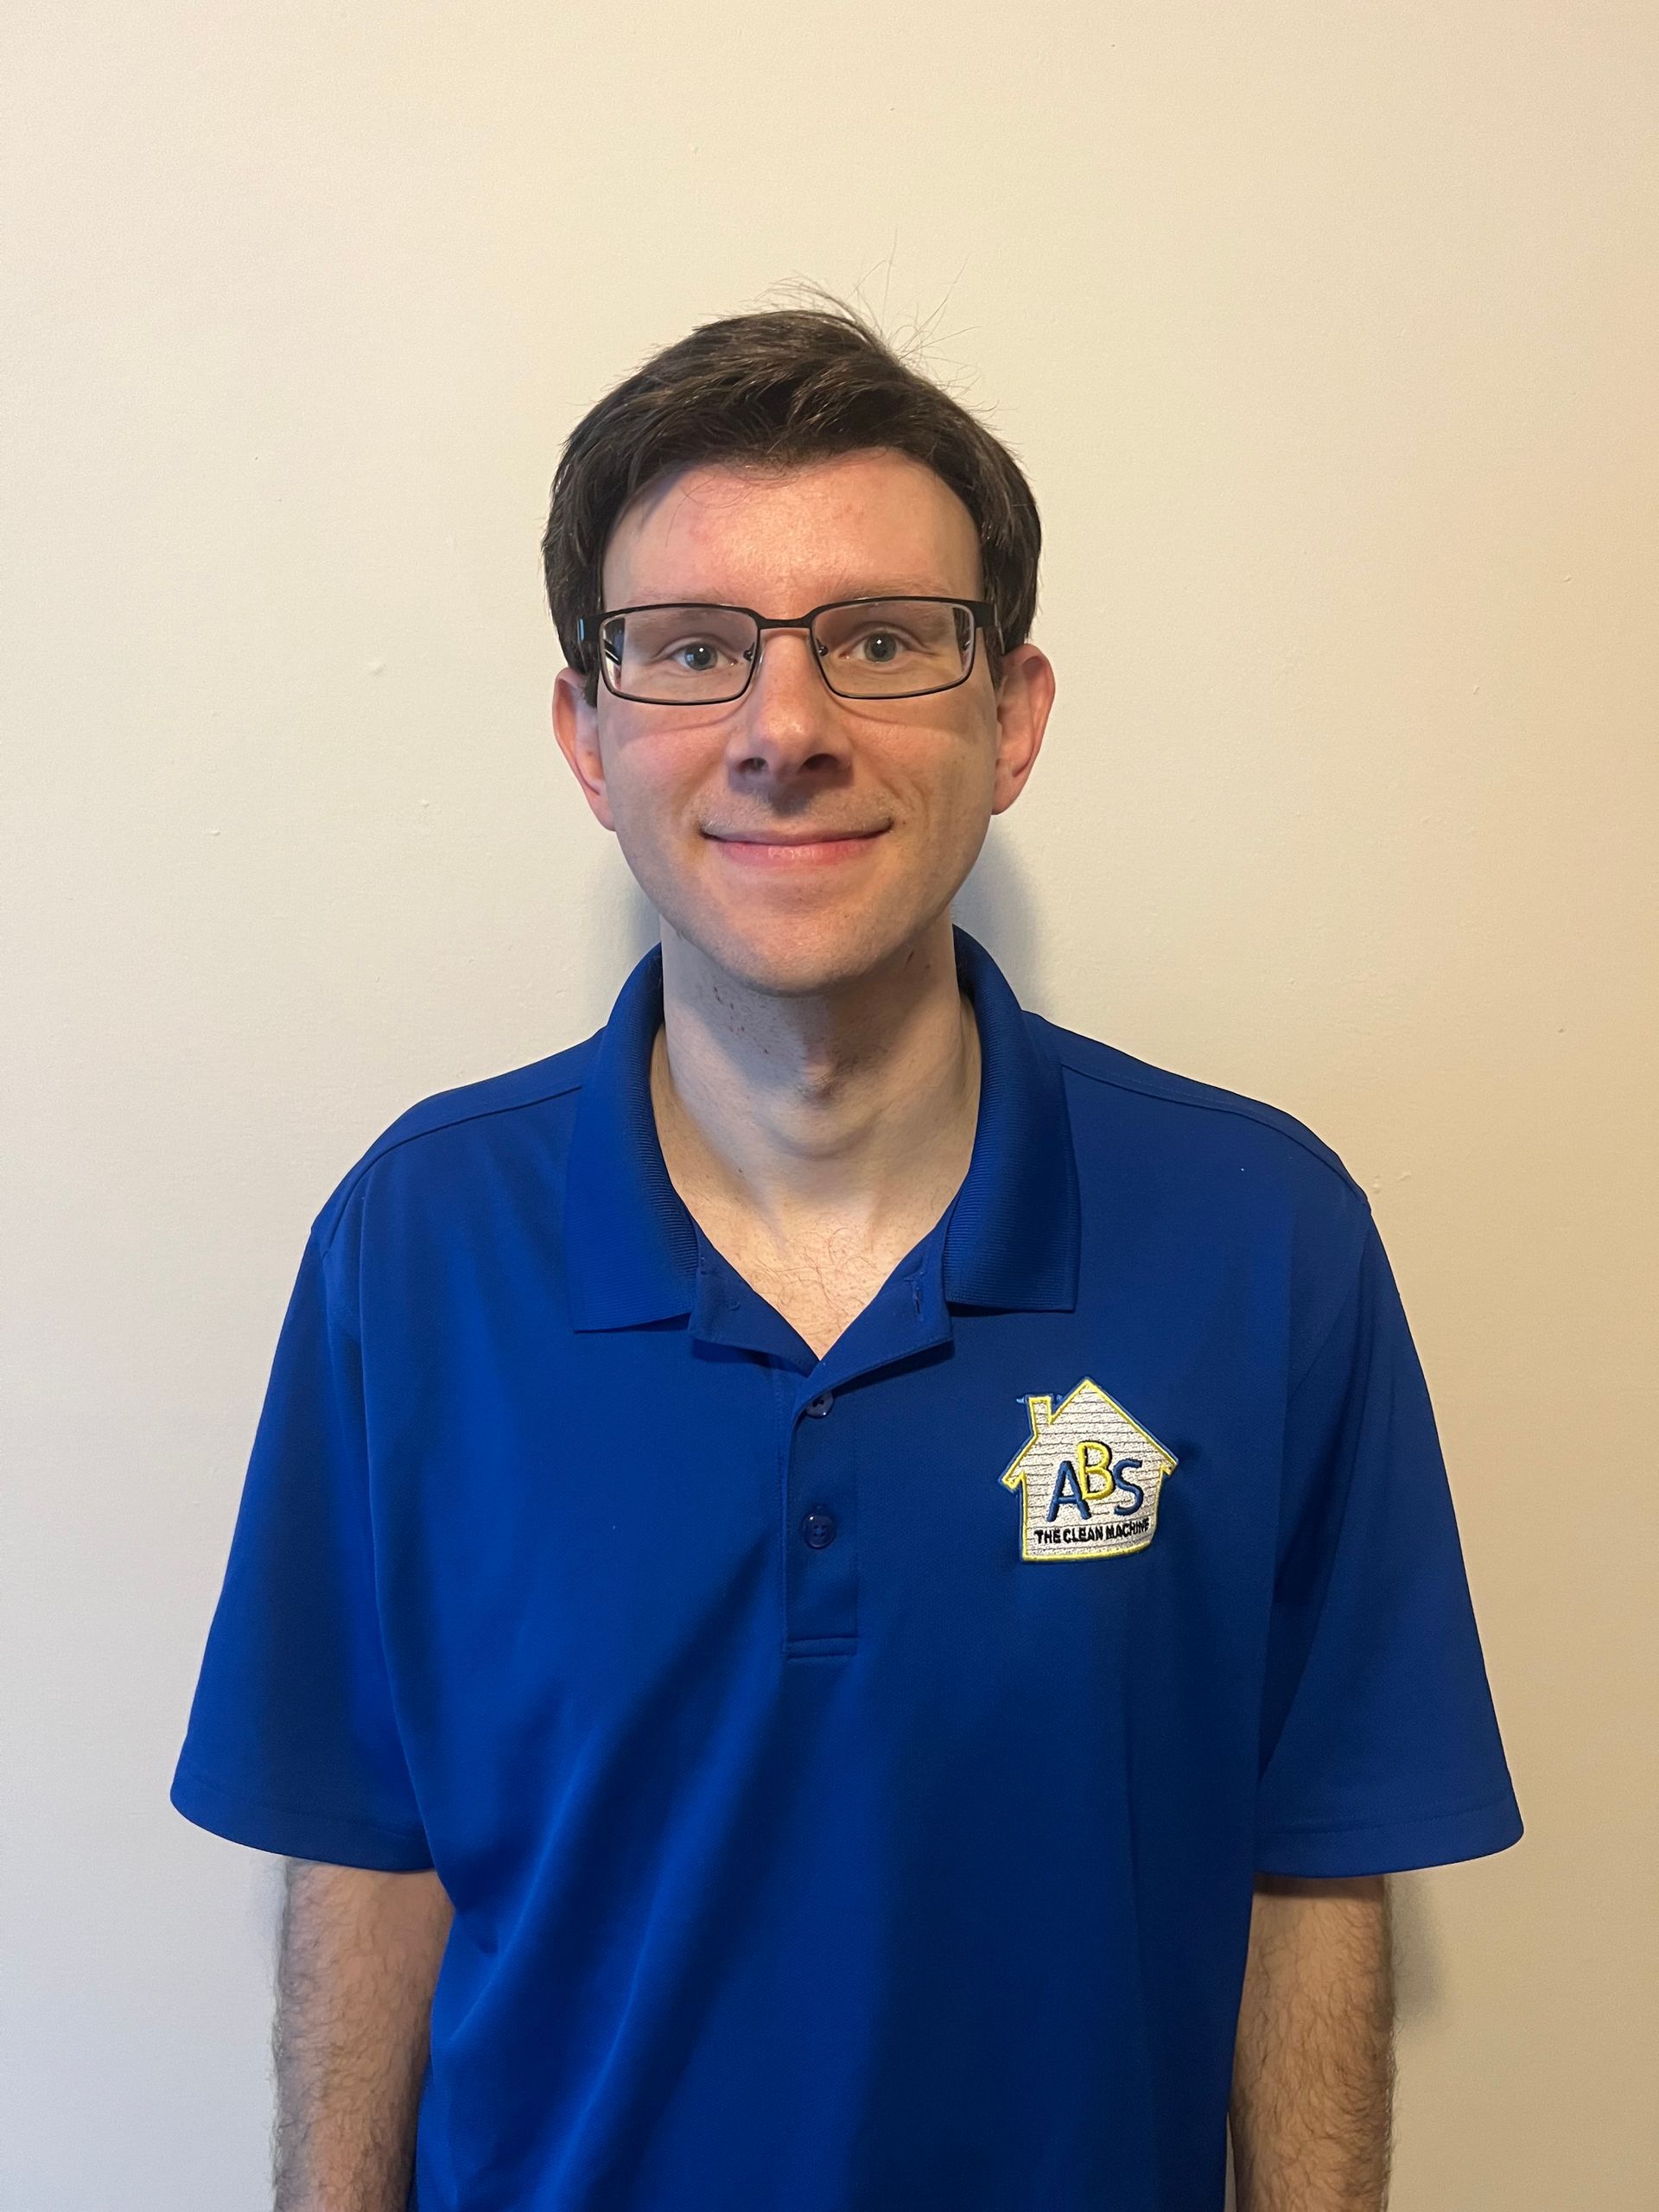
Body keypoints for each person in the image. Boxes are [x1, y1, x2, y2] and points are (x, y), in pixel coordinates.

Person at [171, 301, 1522, 2212]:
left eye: (882, 642)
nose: (784, 730)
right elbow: (368, 1856)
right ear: (590, 732)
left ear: (1014, 715)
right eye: (691, 652)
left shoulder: (1263, 1237)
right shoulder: (414, 1249)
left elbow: (1310, 1869)